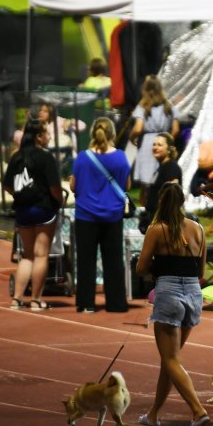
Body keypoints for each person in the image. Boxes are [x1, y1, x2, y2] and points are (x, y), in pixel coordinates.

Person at [136, 181, 210, 426]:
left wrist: (159, 266)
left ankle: (198, 411)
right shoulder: (199, 229)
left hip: (169, 293)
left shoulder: (157, 229)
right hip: (193, 294)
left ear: (160, 202)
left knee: (171, 360)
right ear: (182, 202)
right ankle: (154, 414)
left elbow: (141, 268)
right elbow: (201, 271)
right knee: (171, 361)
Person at [69, 117, 131, 313]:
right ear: (112, 134)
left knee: (86, 260)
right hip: (112, 214)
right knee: (113, 260)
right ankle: (116, 302)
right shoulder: (121, 157)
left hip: (86, 214)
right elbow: (127, 185)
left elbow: (73, 185)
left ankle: (86, 302)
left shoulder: (82, 157)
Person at [2, 119, 63, 310]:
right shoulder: (46, 157)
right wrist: (59, 200)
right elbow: (54, 187)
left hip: (23, 209)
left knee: (27, 255)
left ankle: (17, 298)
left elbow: (7, 185)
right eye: (47, 133)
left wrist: (19, 195)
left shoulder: (17, 157)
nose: (49, 136)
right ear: (39, 137)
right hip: (43, 208)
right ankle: (36, 299)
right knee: (41, 254)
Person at [129, 75, 179, 206]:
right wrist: (168, 141)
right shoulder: (168, 105)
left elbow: (138, 128)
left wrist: (132, 138)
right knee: (161, 179)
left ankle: (145, 210)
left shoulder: (143, 106)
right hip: (163, 141)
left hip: (147, 143)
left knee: (146, 184)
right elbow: (176, 128)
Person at [139, 133, 182, 234]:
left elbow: (172, 196)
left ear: (169, 149)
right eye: (154, 144)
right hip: (155, 219)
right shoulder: (160, 168)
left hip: (165, 223)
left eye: (159, 145)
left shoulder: (171, 167)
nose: (155, 147)